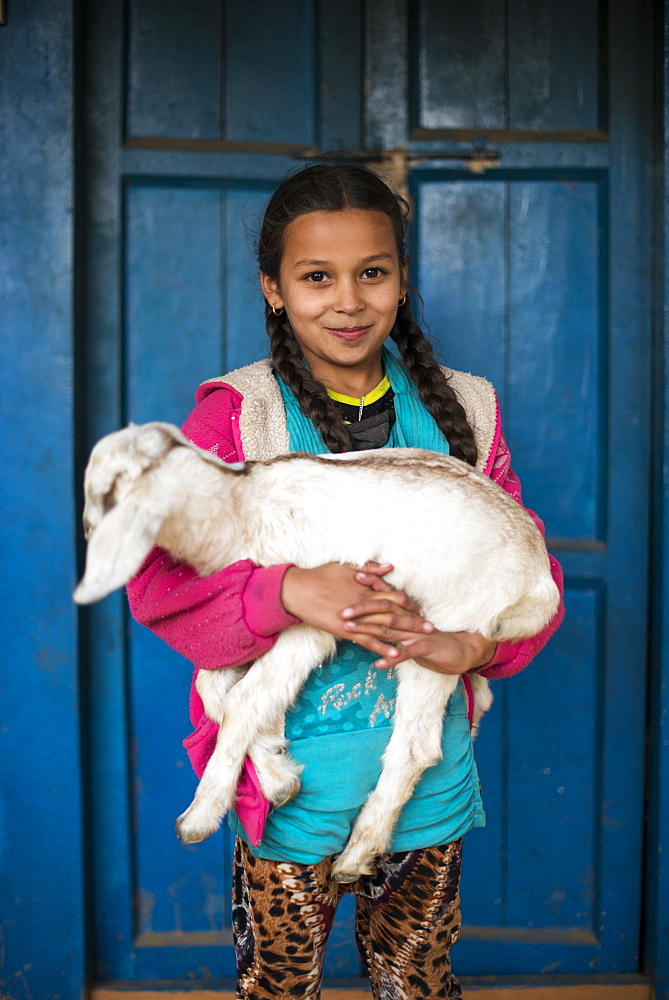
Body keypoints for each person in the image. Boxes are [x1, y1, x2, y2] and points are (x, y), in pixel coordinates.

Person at [127, 163, 564, 1000]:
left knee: (416, 983)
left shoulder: (463, 413)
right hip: (288, 789)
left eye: (373, 273)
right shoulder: (233, 419)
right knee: (280, 987)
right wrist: (286, 591)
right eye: (316, 277)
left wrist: (473, 645)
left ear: (402, 281)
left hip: (424, 782)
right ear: (273, 288)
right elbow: (157, 586)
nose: (348, 301)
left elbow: (524, 569)